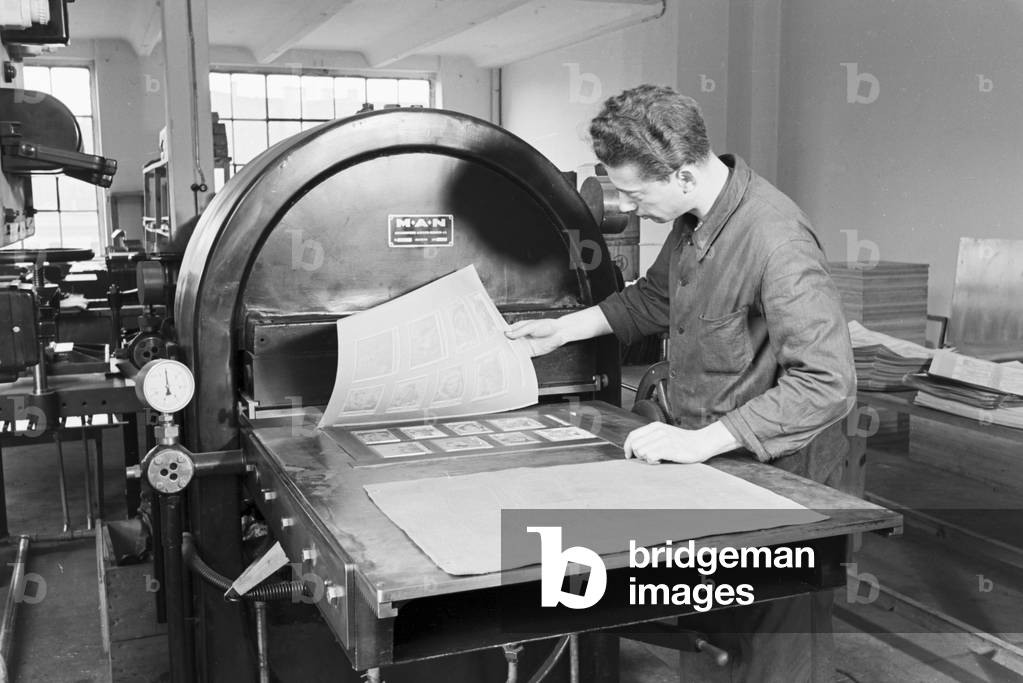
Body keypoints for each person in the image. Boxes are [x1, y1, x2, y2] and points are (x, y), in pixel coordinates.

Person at [506, 84, 855, 682]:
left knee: (776, 652)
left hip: (779, 480)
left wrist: (701, 441)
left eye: (637, 194)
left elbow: (827, 382)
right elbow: (654, 299)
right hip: (717, 465)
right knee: (716, 641)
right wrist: (562, 331)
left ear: (685, 174)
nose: (631, 207)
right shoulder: (696, 220)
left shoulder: (775, 239)